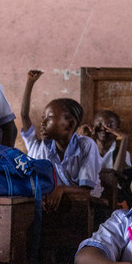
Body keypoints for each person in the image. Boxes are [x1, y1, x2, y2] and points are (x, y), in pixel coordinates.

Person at [20, 69, 103, 210]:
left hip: (89, 205)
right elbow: (24, 115)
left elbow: (86, 190)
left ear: (70, 125)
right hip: (57, 203)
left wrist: (61, 189)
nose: (43, 123)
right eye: (43, 118)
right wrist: (30, 82)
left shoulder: (86, 145)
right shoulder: (44, 146)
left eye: (50, 118)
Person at [79, 109, 132, 205]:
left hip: (112, 198)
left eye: (110, 126)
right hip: (88, 195)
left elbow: (116, 174)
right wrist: (81, 139)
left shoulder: (121, 153)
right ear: (92, 127)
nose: (103, 129)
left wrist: (124, 140)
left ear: (117, 130)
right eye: (99, 124)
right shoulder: (87, 148)